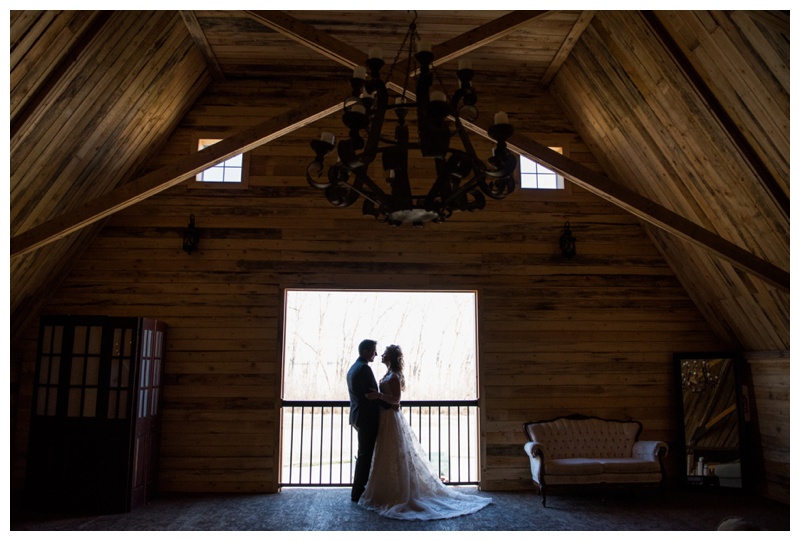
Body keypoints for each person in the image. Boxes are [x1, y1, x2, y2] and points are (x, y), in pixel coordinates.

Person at [358, 344, 492, 520]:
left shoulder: (395, 376)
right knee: (386, 454)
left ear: (389, 357)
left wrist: (379, 396)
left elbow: (396, 400)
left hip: (391, 418)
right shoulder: (388, 374)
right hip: (385, 418)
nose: (380, 356)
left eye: (383, 354)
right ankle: (385, 492)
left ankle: (401, 493)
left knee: (395, 454)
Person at [346, 339, 381, 502]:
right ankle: (358, 492)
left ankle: (358, 490)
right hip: (367, 418)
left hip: (357, 416)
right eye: (374, 350)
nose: (376, 354)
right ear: (366, 351)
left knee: (363, 454)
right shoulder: (365, 369)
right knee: (365, 456)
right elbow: (371, 395)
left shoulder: (353, 368)